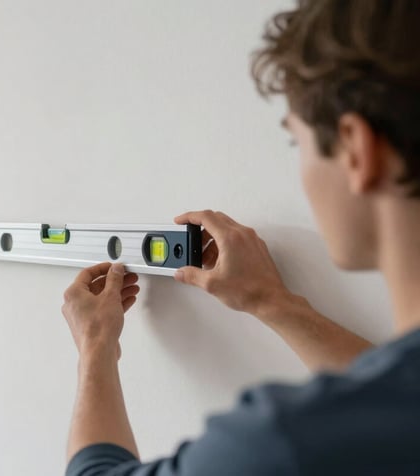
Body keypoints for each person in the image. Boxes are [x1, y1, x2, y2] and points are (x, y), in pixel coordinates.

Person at [62, 1, 420, 475]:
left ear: (356, 149)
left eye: (298, 142)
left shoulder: (287, 443)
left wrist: (95, 348)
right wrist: (273, 302)